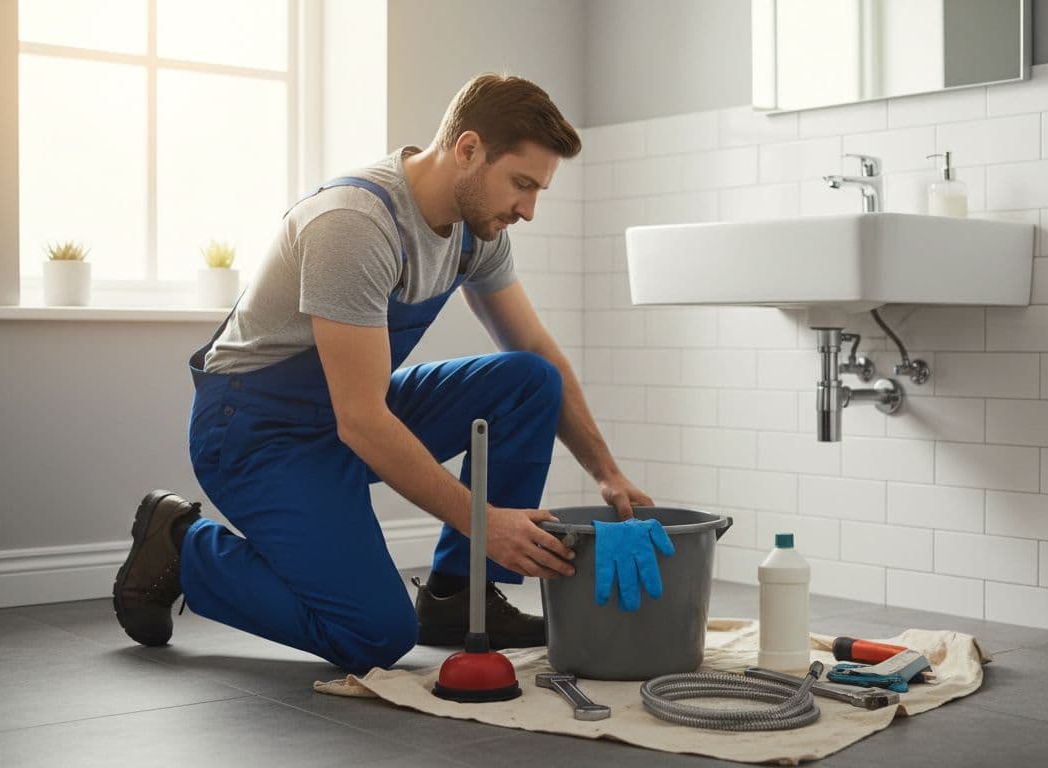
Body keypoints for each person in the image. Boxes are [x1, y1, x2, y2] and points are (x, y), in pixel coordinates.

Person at [112, 73, 653, 675]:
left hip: (347, 411)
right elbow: (364, 421)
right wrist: (484, 522)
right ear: (468, 149)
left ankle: (457, 595)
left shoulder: (479, 232)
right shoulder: (355, 224)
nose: (528, 209)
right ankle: (183, 550)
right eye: (522, 184)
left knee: (529, 380)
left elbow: (535, 347)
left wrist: (606, 473)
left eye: (538, 191)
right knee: (374, 635)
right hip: (256, 431)